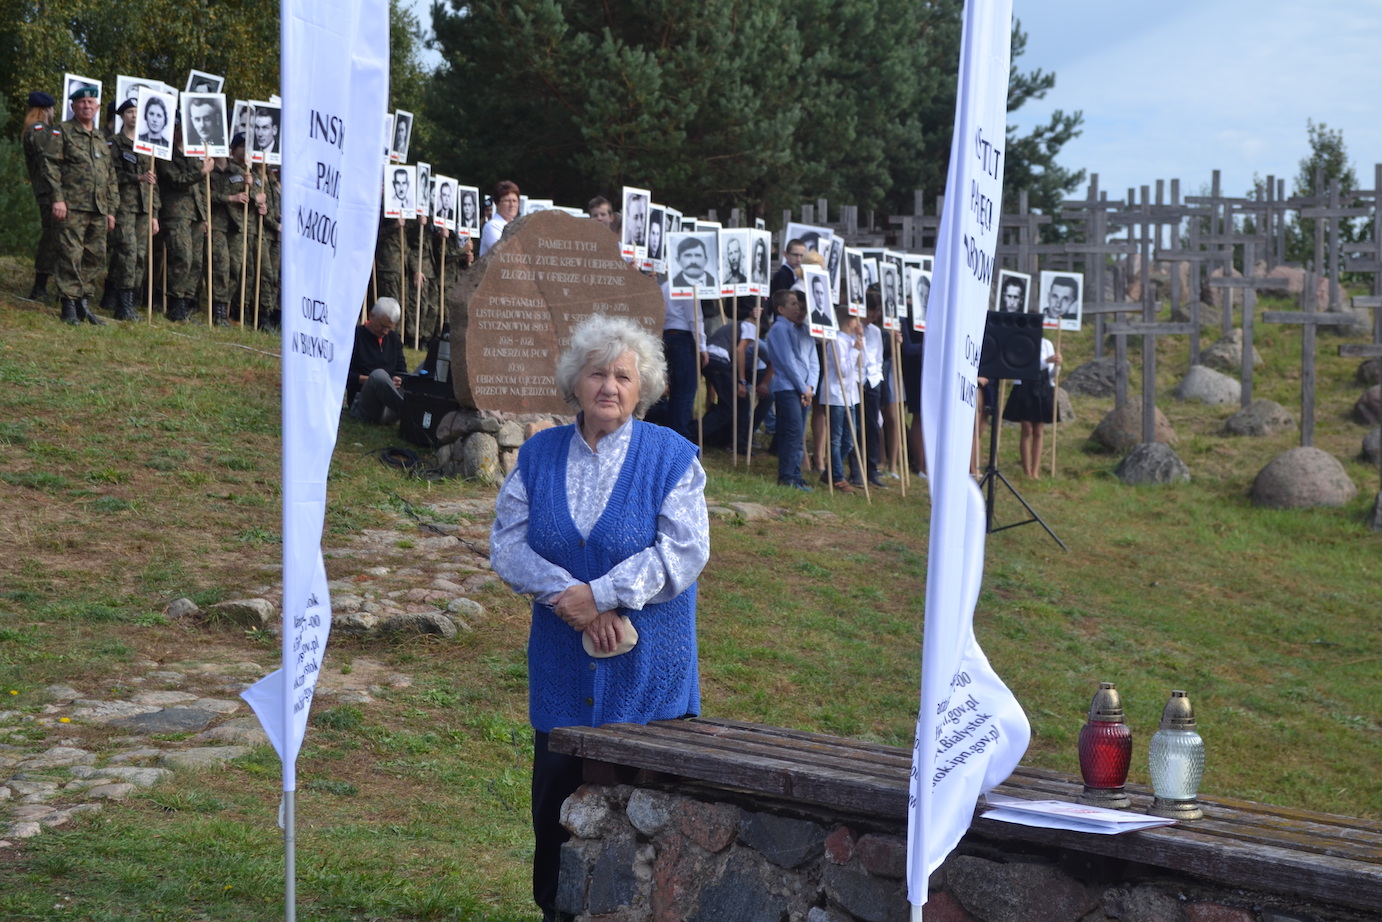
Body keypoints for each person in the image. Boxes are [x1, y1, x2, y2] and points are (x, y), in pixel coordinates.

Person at [490, 314, 707, 922]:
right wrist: (577, 601)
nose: (608, 386)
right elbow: (508, 547)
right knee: (554, 822)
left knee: (645, 829)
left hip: (648, 681)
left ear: (644, 389)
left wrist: (607, 593)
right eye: (597, 374)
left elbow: (685, 551)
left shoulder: (671, 458)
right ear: (575, 383)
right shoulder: (538, 455)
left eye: (623, 376)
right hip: (563, 674)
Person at [37, 85, 119, 326]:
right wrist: (57, 198)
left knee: (95, 256)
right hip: (72, 205)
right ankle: (69, 304)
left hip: (98, 208)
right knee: (71, 254)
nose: (86, 106)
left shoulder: (102, 139)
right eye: (81, 102)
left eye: (91, 102)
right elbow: (50, 166)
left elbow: (110, 177)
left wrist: (111, 210)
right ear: (73, 106)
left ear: (98, 107)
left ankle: (83, 302)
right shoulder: (62, 131)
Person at [108, 98, 160, 321]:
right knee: (127, 252)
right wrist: (136, 177)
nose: (134, 116)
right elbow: (111, 175)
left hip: (144, 208)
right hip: (124, 206)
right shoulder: (115, 143)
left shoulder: (147, 146)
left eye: (137, 112)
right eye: (130, 111)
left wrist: (155, 214)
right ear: (122, 116)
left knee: (139, 255)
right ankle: (123, 304)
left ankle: (127, 300)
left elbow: (153, 183)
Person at [156, 119, 212, 322]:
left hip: (195, 214)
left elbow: (202, 190)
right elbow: (175, 180)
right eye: (179, 129)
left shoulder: (195, 154)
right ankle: (175, 303)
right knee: (182, 256)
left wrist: (205, 215)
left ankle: (186, 303)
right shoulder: (166, 154)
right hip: (176, 212)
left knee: (196, 261)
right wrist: (201, 172)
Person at [764, 288, 817, 490]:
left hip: (802, 390)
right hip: (788, 388)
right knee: (792, 431)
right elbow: (788, 362)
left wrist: (810, 387)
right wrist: (804, 388)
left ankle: (796, 474)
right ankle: (787, 476)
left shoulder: (797, 329)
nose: (798, 308)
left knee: (798, 432)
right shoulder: (779, 329)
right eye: (793, 304)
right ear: (781, 308)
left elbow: (813, 361)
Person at [21, 91, 62, 303]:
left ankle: (47, 285)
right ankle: (40, 286)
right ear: (46, 109)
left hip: (49, 191)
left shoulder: (38, 130)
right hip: (49, 192)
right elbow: (49, 160)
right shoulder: (38, 130)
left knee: (55, 237)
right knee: (52, 238)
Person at [1002, 336, 1062, 478]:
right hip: (1025, 387)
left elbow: (1052, 375)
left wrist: (1058, 365)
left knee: (1039, 430)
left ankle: (1035, 471)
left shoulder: (1047, 344)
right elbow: (1027, 367)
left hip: (1042, 387)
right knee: (1027, 429)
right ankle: (1026, 470)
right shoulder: (1020, 343)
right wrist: (1046, 361)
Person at [347, 299, 408, 424]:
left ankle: (410, 409)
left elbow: (403, 370)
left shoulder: (393, 339)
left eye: (389, 328)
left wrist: (399, 379)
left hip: (390, 404)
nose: (385, 332)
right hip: (365, 404)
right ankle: (409, 412)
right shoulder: (355, 337)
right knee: (378, 376)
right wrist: (368, 380)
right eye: (382, 326)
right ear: (371, 315)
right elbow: (344, 376)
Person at [480, 180, 519, 256]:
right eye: (507, 201)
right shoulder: (492, 226)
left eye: (515, 201)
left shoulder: (518, 226)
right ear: (497, 203)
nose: (512, 205)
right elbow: (505, 254)